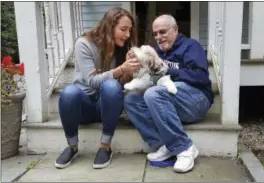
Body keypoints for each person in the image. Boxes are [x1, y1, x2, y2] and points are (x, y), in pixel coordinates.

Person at [124, 14, 214, 173]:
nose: (158, 37)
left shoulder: (190, 46)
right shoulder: (158, 53)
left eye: (163, 32)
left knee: (154, 93)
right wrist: (139, 73)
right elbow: (155, 78)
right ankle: (165, 145)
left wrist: (169, 71)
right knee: (131, 99)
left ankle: (184, 148)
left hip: (196, 100)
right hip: (169, 100)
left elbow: (200, 77)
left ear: (175, 30)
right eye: (155, 34)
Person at [54, 7, 140, 169]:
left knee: (111, 86)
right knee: (69, 92)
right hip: (84, 107)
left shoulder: (123, 47)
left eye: (129, 30)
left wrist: (128, 72)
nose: (128, 35)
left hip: (107, 107)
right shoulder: (84, 43)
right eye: (123, 29)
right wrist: (121, 69)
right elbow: (92, 81)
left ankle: (105, 146)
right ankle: (72, 146)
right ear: (109, 26)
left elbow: (119, 85)